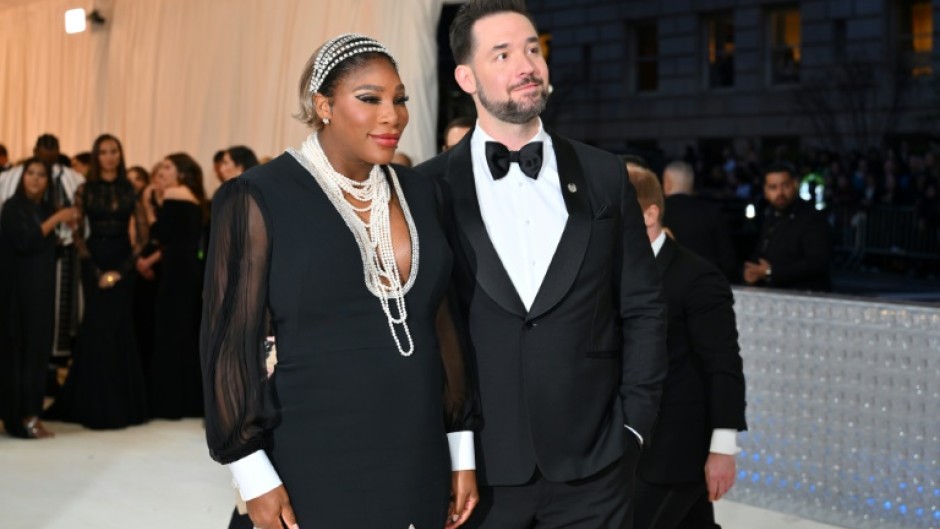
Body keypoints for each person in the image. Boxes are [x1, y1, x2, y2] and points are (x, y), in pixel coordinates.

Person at [200, 33, 480, 529]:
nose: (392, 115)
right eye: (369, 99)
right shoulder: (257, 196)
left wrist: (461, 448)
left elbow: (443, 323)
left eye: (399, 100)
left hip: (416, 450)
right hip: (312, 452)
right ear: (323, 105)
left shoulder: (422, 192)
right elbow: (228, 347)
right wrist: (251, 473)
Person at [414, 2, 667, 527]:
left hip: (595, 468)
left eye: (533, 48)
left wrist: (635, 425)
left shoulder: (603, 174)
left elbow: (643, 306)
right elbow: (421, 328)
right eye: (502, 54)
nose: (526, 65)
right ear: (466, 76)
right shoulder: (427, 189)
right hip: (477, 472)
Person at [627, 165, 747, 529]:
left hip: (676, 449)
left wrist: (723, 449)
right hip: (630, 447)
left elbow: (723, 363)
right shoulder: (611, 269)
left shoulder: (696, 277)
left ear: (650, 214)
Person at [46, 134, 149, 429]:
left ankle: (121, 405)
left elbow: (142, 237)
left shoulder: (130, 189)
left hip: (122, 263)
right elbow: (76, 233)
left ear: (120, 154)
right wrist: (94, 270)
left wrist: (120, 271)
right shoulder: (84, 189)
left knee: (119, 328)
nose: (108, 156)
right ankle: (90, 403)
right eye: (103, 152)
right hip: (92, 261)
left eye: (113, 151)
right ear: (96, 156)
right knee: (95, 329)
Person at [0, 158, 78, 438]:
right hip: (16, 296)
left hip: (41, 293)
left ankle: (32, 414)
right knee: (18, 355)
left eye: (41, 175)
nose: (35, 179)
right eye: (30, 173)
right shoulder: (12, 207)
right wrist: (57, 219)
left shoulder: (43, 208)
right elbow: (25, 241)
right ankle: (18, 418)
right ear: (22, 178)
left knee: (36, 354)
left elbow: (48, 249)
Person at [137, 153, 207, 419]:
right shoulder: (191, 194)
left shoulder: (175, 193)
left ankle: (168, 402)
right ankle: (185, 399)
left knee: (169, 330)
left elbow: (159, 234)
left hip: (177, 269)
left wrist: (146, 203)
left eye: (168, 167)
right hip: (186, 268)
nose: (162, 172)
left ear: (181, 172)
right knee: (182, 330)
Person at [744, 162, 832, 291]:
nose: (780, 192)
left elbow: (817, 263)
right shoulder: (770, 216)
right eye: (773, 187)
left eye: (785, 185)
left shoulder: (812, 218)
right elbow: (762, 251)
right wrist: (753, 271)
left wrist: (771, 272)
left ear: (795, 184)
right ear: (765, 191)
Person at [662, 160, 738, 282]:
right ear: (691, 184)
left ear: (667, 184)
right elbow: (728, 261)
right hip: (707, 286)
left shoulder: (656, 214)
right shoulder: (712, 212)